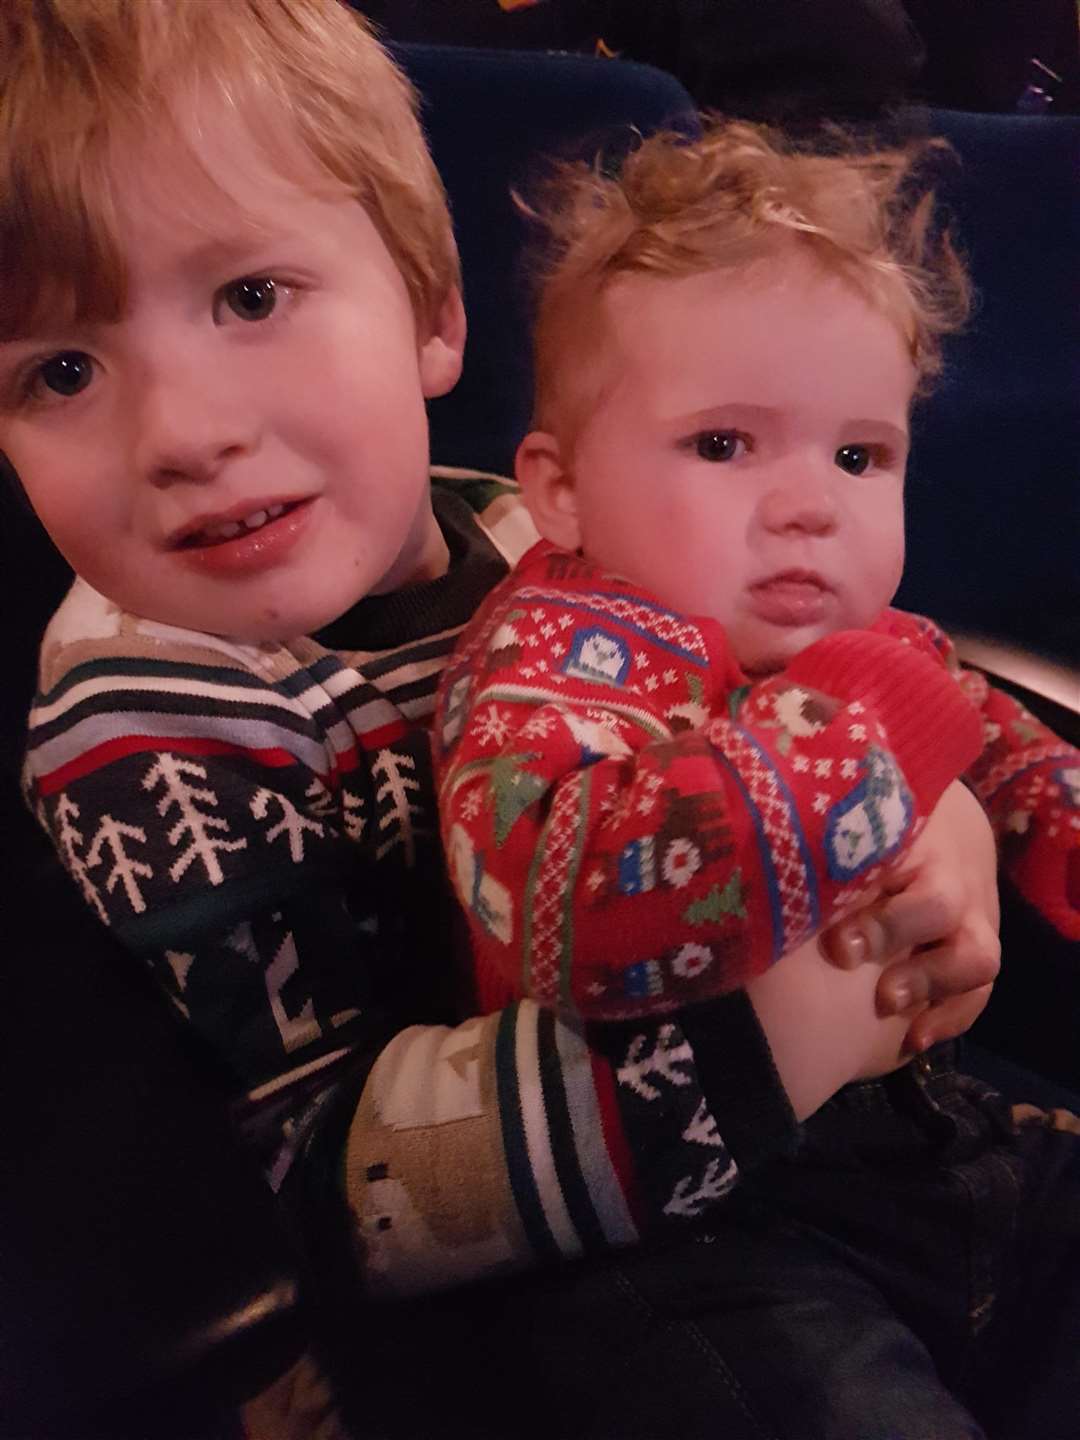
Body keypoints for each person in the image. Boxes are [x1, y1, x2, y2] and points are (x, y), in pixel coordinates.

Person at [2, 3, 1001, 1435]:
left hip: (872, 1163)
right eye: (60, 372)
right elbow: (337, 1196)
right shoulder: (145, 718)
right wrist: (807, 1018)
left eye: (249, 298)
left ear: (431, 314)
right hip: (574, 1298)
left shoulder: (537, 528)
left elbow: (805, 697)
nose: (183, 431)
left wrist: (942, 822)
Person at [433, 120, 1080, 1436]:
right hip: (697, 1247)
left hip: (926, 1147)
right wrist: (886, 712)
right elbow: (586, 918)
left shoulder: (843, 643)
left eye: (860, 456)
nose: (811, 507)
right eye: (726, 446)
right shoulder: (548, 666)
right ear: (557, 491)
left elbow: (1005, 753)